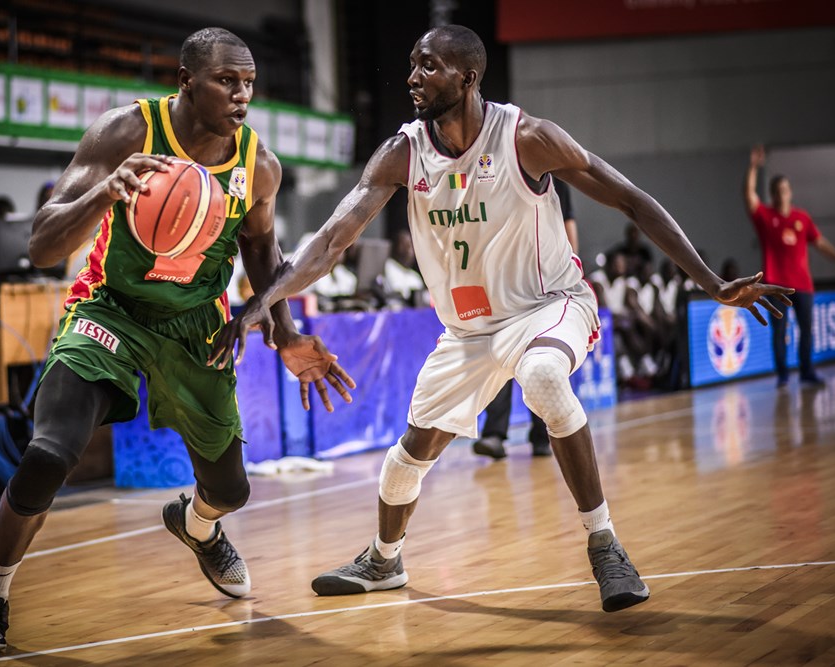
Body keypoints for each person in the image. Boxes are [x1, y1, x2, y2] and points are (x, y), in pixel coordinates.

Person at [211, 25, 792, 613]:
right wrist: (260, 305)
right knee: (405, 459)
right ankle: (384, 559)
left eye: (428, 66)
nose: (412, 77)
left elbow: (631, 200)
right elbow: (332, 240)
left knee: (542, 376)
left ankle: (605, 544)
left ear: (468, 76)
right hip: (468, 333)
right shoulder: (402, 153)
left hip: (549, 305)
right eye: (411, 64)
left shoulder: (527, 138)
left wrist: (711, 283)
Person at [0, 28, 353, 658]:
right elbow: (40, 245)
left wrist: (286, 331)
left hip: (198, 325)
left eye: (249, 82)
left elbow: (262, 257)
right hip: (109, 307)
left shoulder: (258, 164)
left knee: (230, 493)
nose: (242, 93)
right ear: (186, 80)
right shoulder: (126, 133)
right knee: (49, 453)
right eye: (227, 80)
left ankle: (197, 527)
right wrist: (104, 192)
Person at [473, 177, 578, 459]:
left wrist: (571, 275)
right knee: (500, 357)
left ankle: (542, 436)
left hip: (544, 285)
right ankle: (494, 435)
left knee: (541, 359)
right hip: (502, 284)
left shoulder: (558, 184)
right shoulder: (498, 175)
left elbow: (568, 227)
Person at [744, 145, 835, 388]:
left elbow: (819, 243)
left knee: (807, 330)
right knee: (779, 331)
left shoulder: (802, 218)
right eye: (776, 191)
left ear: (790, 192)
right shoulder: (765, 217)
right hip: (775, 285)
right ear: (773, 194)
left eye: (784, 189)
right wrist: (753, 166)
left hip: (802, 285)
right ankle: (783, 375)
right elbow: (749, 196)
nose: (781, 194)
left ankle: (807, 371)